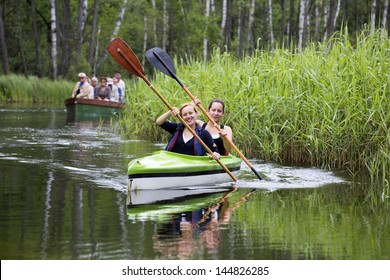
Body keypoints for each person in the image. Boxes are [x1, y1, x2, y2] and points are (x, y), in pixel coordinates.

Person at [155, 102, 220, 159]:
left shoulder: (204, 133)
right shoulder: (176, 128)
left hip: (193, 165)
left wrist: (215, 155)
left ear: (196, 113)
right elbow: (159, 122)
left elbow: (215, 152)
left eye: (190, 113)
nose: (188, 116)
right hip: (173, 163)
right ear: (181, 117)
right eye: (185, 115)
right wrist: (170, 111)